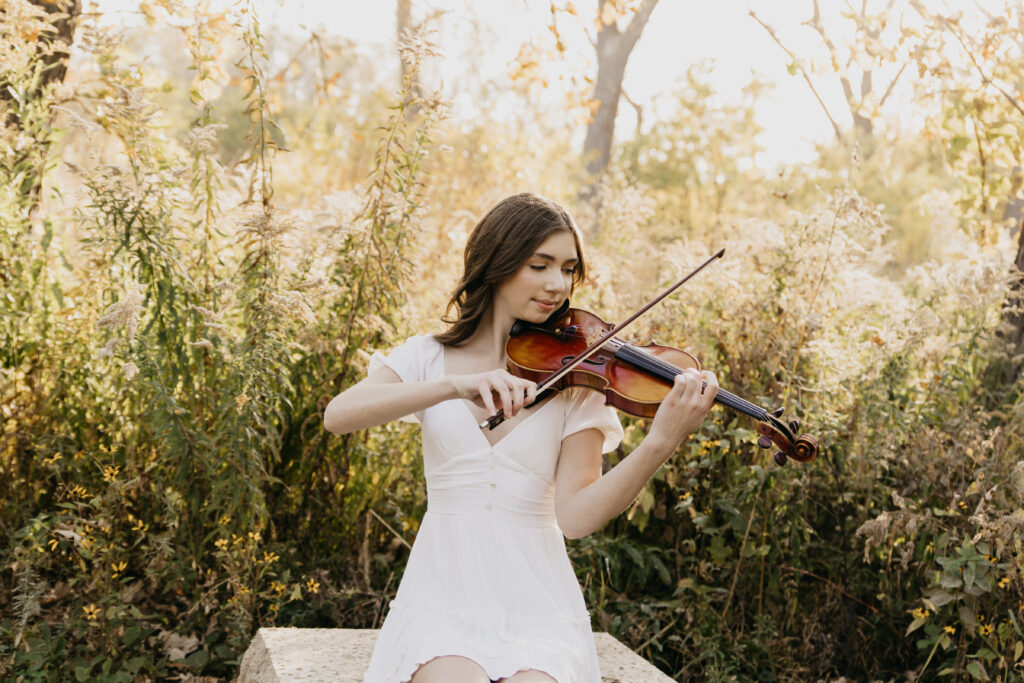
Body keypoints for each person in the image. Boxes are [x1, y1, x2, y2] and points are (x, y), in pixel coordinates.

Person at [323, 193, 718, 683]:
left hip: (536, 599)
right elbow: (339, 416)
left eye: (568, 269)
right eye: (540, 265)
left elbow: (575, 518)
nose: (557, 284)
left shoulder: (578, 378)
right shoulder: (426, 358)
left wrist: (660, 443)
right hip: (442, 593)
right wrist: (452, 386)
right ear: (498, 262)